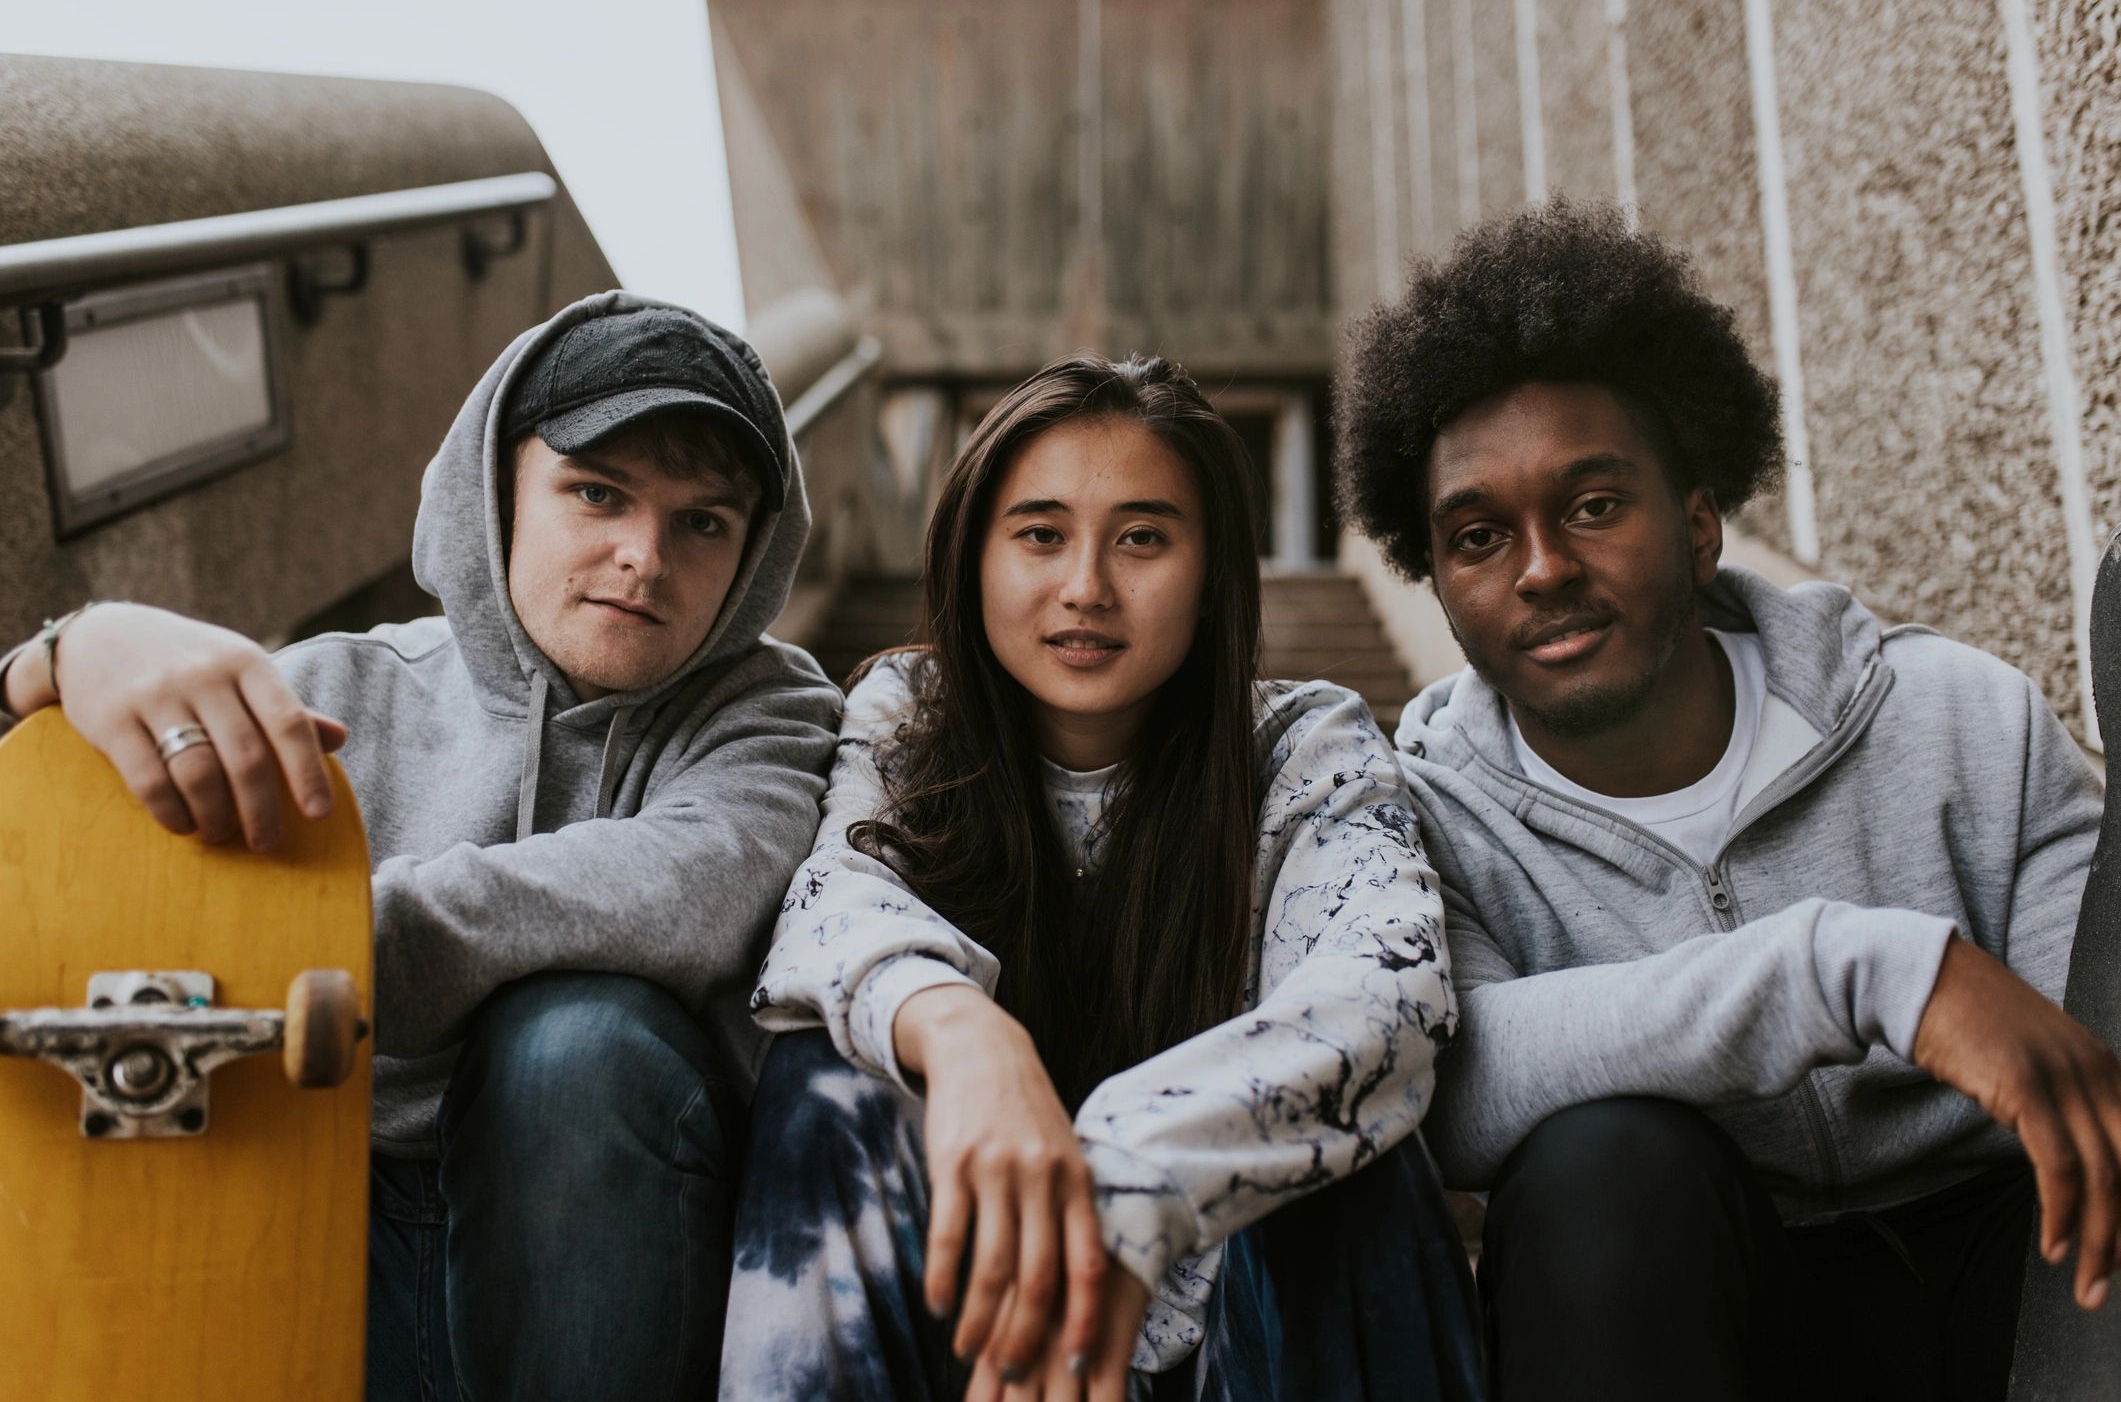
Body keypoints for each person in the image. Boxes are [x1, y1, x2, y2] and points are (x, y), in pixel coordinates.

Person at [1333, 199, 2121, 1401]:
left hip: (2032, 1279)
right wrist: (1858, 968)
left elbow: (2091, 1044)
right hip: (1712, 1301)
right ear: (1439, 583)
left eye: (1594, 505)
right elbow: (1459, 1089)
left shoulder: (1962, 719)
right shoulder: (1430, 820)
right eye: (1481, 536)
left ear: (1700, 525)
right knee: (1600, 1165)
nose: (1542, 567)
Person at [0, 293, 842, 1401]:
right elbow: (67, 878)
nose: (644, 558)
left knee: (572, 1036)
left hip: (608, 1227)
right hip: (319, 1201)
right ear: (497, 489)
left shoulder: (775, 708)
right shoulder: (334, 686)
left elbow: (679, 895)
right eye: (598, 493)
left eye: (704, 523)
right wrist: (58, 659)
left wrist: (311, 950)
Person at [723, 353, 1485, 1402]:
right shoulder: (907, 713)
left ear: (1213, 568)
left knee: (1348, 1152)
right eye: (1040, 534)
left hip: (1232, 1319)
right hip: (975, 1316)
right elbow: (832, 907)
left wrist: (1132, 1170)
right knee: (825, 1084)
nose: (1086, 586)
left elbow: (1384, 993)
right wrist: (964, 1033)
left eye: (1142, 539)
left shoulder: (1306, 744)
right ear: (971, 556)